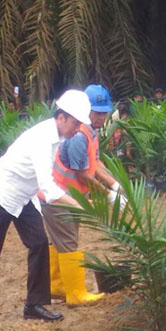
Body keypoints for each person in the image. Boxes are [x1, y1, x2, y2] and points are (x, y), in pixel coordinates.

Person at [0, 90, 92, 331]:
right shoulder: (42, 138)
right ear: (61, 118)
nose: (78, 128)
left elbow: (44, 183)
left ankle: (34, 305)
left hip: (24, 198)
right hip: (1, 193)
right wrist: (79, 205)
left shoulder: (58, 139)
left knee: (39, 244)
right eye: (75, 122)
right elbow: (47, 186)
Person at [41, 84, 121, 305]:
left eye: (104, 112)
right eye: (97, 112)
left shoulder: (89, 133)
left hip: (69, 197)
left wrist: (115, 185)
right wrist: (108, 195)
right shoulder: (78, 136)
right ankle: (76, 294)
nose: (101, 117)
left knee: (60, 241)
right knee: (68, 242)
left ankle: (56, 287)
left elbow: (95, 163)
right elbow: (84, 175)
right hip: (59, 196)